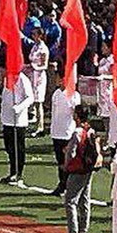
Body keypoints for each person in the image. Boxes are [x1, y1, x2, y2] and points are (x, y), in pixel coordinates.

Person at [60, 105, 100, 233]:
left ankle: (73, 232)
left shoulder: (77, 133)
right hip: (89, 169)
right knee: (85, 200)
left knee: (70, 200)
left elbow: (71, 153)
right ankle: (84, 232)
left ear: (77, 116)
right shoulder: (91, 131)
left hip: (77, 169)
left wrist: (66, 165)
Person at [48, 66, 79, 196]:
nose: (56, 80)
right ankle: (62, 184)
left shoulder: (74, 95)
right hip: (57, 132)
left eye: (58, 77)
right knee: (60, 161)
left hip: (67, 132)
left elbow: (76, 114)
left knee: (68, 161)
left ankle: (69, 186)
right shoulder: (56, 94)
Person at [0, 70, 33, 184]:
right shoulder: (7, 78)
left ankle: (18, 173)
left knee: (18, 148)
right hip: (7, 119)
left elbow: (30, 98)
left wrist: (19, 107)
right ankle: (12, 171)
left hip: (18, 121)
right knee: (9, 147)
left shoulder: (23, 79)